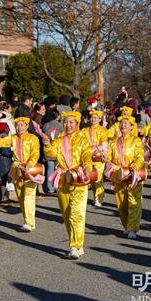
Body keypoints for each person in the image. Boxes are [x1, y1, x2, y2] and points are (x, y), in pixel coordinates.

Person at [43, 111, 93, 259]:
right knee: (66, 215)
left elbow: (86, 156)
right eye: (65, 122)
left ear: (77, 124)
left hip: (78, 180)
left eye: (71, 122)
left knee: (76, 214)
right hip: (63, 179)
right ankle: (79, 243)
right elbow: (51, 153)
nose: (68, 125)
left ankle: (75, 246)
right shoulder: (59, 139)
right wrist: (47, 145)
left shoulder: (83, 140)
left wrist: (87, 167)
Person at [0, 117, 40, 231]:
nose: (19, 127)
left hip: (30, 170)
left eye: (22, 125)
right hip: (17, 169)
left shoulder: (33, 138)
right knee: (21, 197)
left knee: (29, 195)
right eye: (18, 125)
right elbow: (2, 142)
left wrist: (30, 163)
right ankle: (28, 221)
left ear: (27, 126)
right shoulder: (13, 138)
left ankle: (29, 222)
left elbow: (35, 153)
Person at [105, 116, 145, 239]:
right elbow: (108, 158)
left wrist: (134, 166)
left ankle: (132, 228)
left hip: (133, 175)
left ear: (132, 127)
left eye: (126, 124)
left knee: (133, 202)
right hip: (119, 176)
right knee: (121, 204)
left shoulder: (136, 141)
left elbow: (140, 156)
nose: (123, 126)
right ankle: (126, 225)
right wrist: (106, 161)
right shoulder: (113, 142)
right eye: (122, 123)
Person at [0, 103, 15, 203]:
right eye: (10, 107)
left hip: (4, 149)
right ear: (6, 108)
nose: (11, 109)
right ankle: (3, 196)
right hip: (4, 149)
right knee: (5, 175)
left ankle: (5, 196)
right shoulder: (3, 119)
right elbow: (2, 135)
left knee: (5, 175)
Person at [83, 110, 108, 207]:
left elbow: (104, 144)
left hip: (98, 157)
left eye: (95, 118)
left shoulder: (103, 130)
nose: (93, 119)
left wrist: (95, 149)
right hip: (88, 157)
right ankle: (95, 197)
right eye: (92, 117)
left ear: (100, 119)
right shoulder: (85, 130)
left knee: (98, 178)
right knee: (91, 178)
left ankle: (99, 198)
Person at [42, 109, 62, 194]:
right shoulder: (61, 126)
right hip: (58, 150)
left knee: (50, 169)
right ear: (57, 116)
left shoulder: (46, 125)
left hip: (48, 150)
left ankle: (50, 188)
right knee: (58, 169)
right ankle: (57, 186)